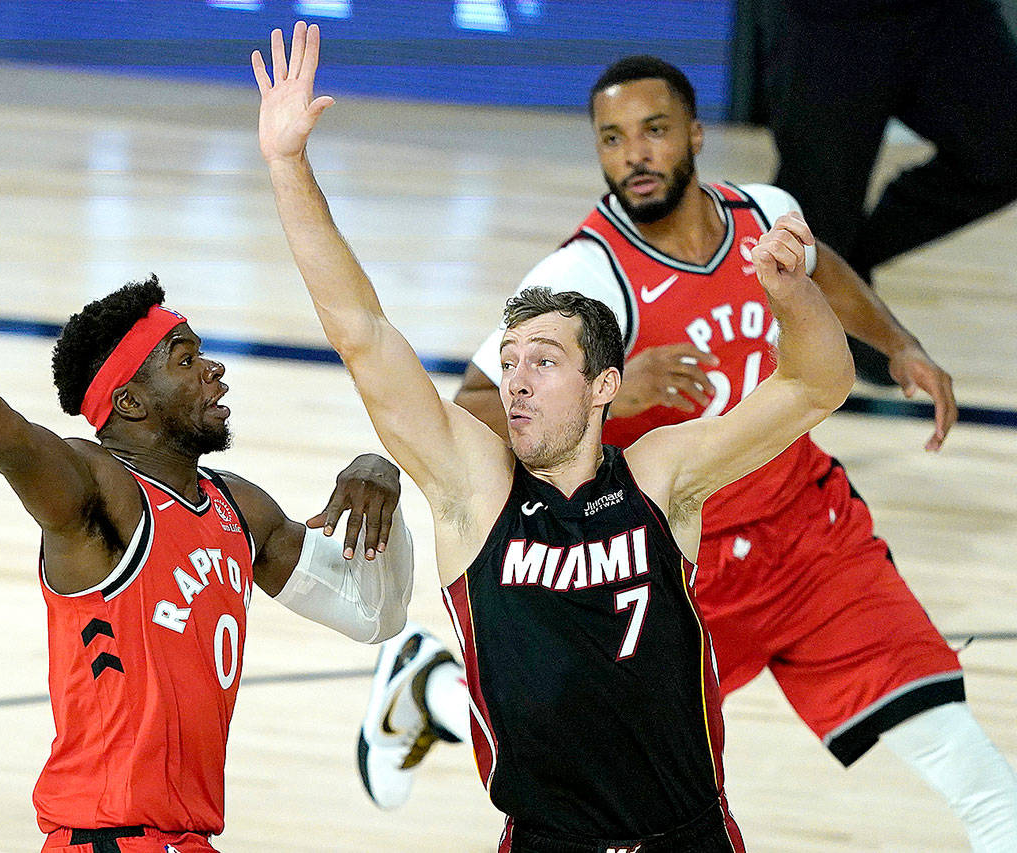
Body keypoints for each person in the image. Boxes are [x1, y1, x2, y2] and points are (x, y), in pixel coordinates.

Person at [360, 55, 1017, 851]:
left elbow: (823, 270)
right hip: (676, 564)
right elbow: (467, 407)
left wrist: (896, 341)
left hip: (812, 537)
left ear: (696, 134)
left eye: (654, 130)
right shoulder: (581, 275)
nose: (634, 153)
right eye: (612, 139)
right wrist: (621, 388)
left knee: (968, 764)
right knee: (595, 756)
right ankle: (432, 688)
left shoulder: (764, 211)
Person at [255, 22, 856, 851]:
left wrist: (796, 299)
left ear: (605, 385)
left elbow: (816, 382)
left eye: (545, 360)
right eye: (509, 362)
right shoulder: (476, 490)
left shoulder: (660, 474)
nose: (518, 379)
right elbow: (361, 329)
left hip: (692, 834)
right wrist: (288, 166)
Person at [0, 212, 416, 852]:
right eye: (187, 360)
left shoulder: (238, 510)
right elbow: (4, 436)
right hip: (107, 839)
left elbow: (372, 612)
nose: (216, 371)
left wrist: (384, 484)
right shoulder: (100, 494)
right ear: (130, 402)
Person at [757, 0, 1017, 384]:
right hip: (828, 18)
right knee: (818, 202)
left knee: (1003, 154)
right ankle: (791, 327)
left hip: (950, 13)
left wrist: (842, 268)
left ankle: (842, 276)